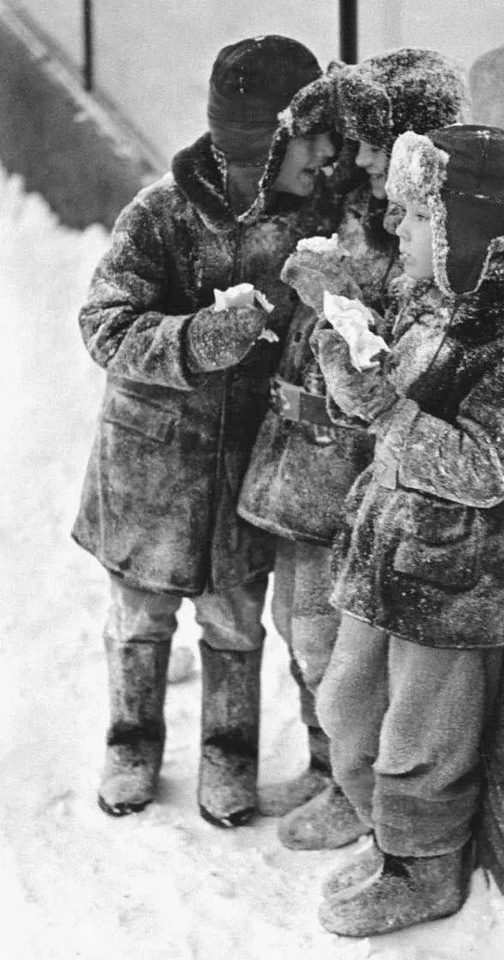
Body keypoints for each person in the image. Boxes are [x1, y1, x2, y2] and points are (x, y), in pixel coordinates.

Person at [72, 35, 339, 828]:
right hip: (149, 469)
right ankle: (130, 738)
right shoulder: (159, 214)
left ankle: (230, 754)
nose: (325, 157)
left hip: (248, 470)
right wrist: (192, 340)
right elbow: (103, 325)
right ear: (263, 145)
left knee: (233, 620)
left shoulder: (315, 219)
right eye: (309, 139)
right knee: (141, 619)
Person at [311, 125, 504, 936]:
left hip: (458, 574)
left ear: (466, 225)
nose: (398, 230)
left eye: (416, 217)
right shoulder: (437, 294)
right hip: (387, 547)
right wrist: (355, 367)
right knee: (346, 708)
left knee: (421, 745)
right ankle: (387, 841)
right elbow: (402, 400)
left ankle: (421, 872)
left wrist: (384, 406)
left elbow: (489, 469)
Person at [238, 48, 468, 850]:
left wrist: (334, 290)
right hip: (303, 453)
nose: (357, 156)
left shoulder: (427, 236)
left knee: (328, 640)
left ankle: (352, 785)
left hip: (353, 464)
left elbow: (400, 348)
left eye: (372, 140)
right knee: (298, 628)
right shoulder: (357, 198)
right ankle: (326, 762)